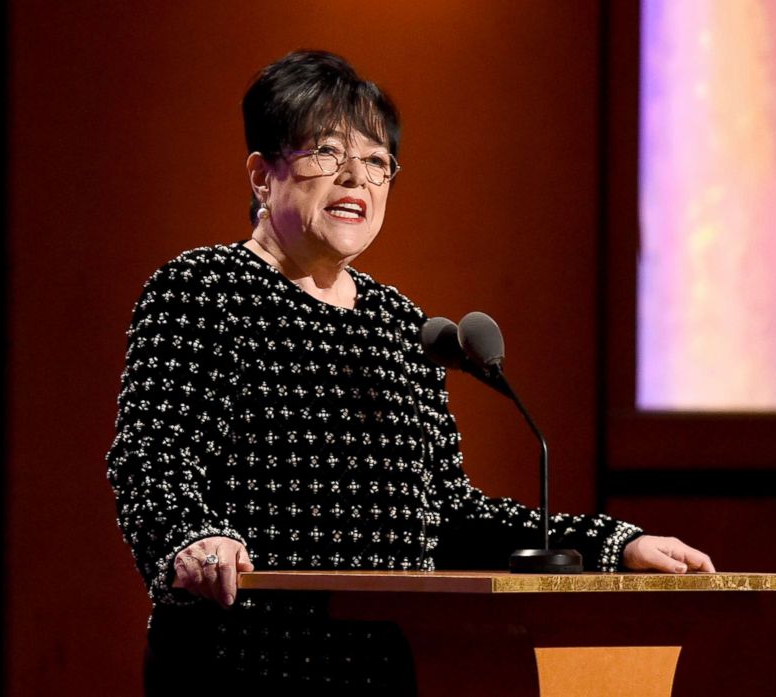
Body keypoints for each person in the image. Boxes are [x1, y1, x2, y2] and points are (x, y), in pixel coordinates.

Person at [106, 50, 714, 695]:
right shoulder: (202, 290)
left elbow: (446, 515)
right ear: (262, 176)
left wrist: (612, 545)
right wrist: (193, 537)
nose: (355, 180)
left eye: (375, 162)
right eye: (325, 152)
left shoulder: (400, 325)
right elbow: (150, 456)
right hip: (243, 661)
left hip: (381, 668)